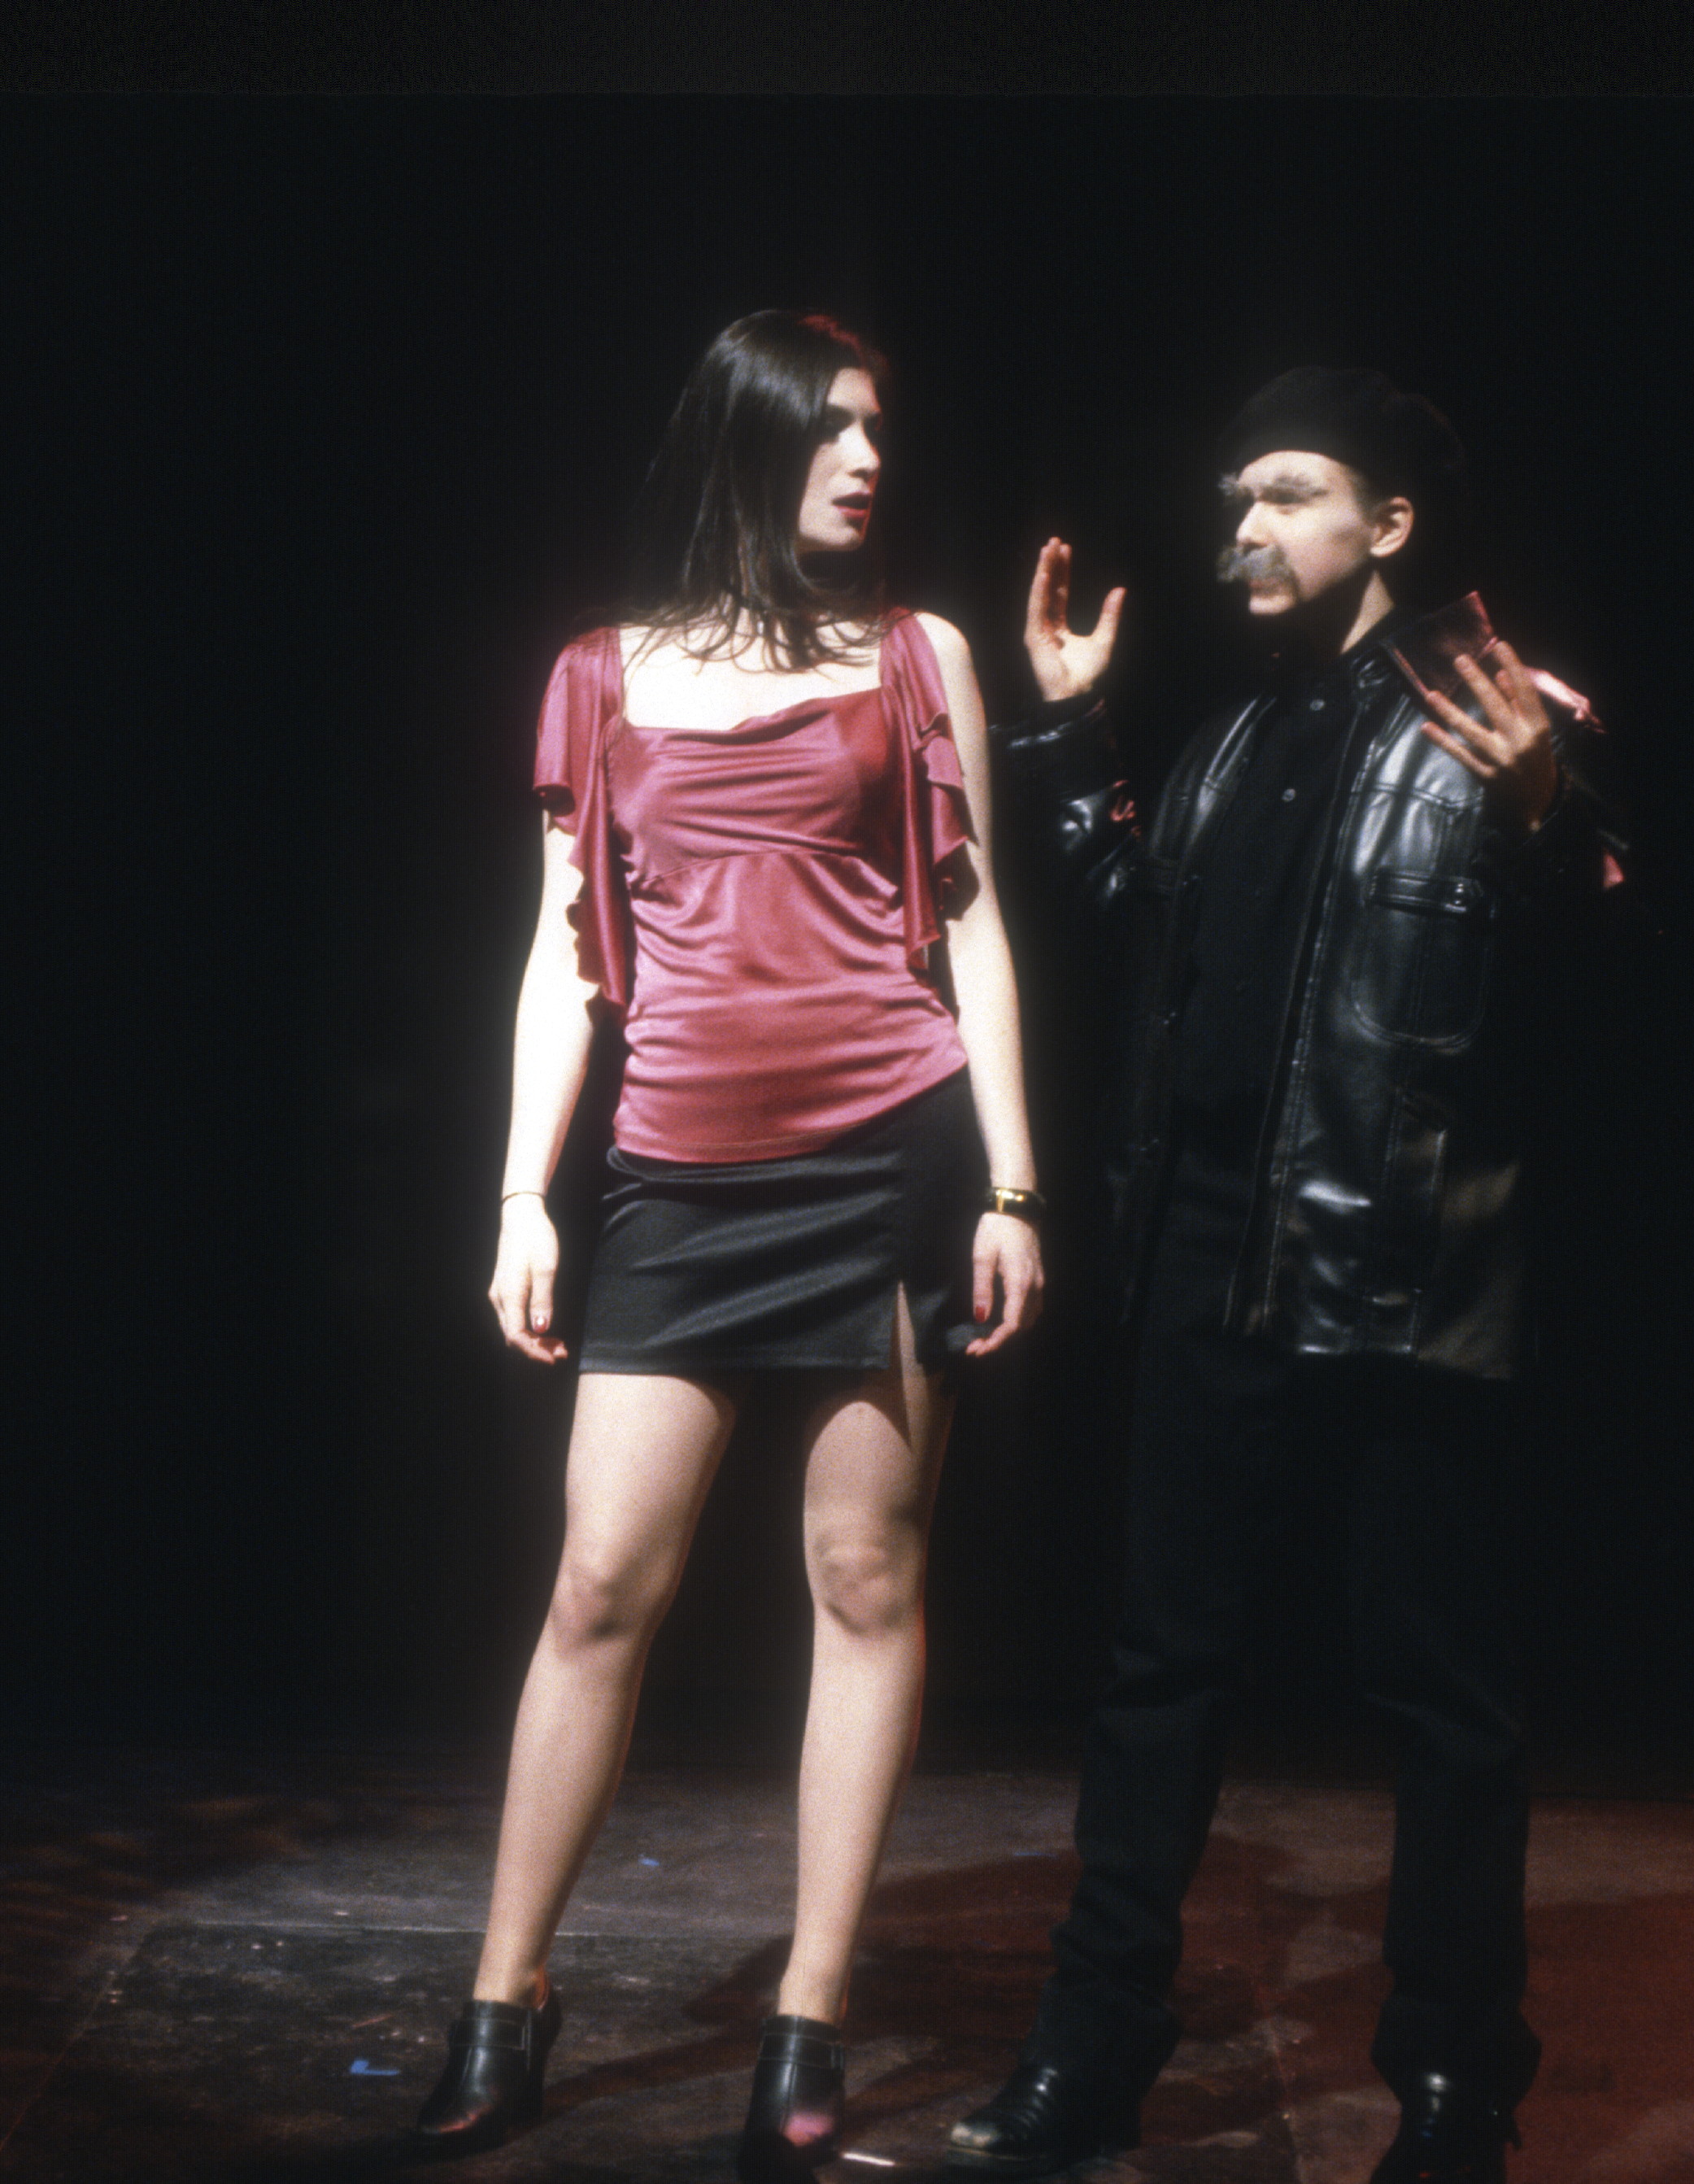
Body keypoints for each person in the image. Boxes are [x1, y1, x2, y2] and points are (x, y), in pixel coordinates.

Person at [940, 368, 1624, 2184]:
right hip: (1206, 1260)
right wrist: (1067, 739)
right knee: (1158, 1673)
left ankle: (1456, 2088)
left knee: (1443, 1703)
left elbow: (1623, 986)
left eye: (1288, 494)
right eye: (1236, 497)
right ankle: (1092, 2052)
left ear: (1387, 522)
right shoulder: (1237, 737)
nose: (1242, 525)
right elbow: (1144, 944)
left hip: (1401, 1272)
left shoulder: (1511, 710)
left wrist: (1550, 819)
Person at [412, 311, 1047, 2182]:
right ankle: (504, 1998)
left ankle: (807, 2016)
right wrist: (518, 1192)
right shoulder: (601, 673)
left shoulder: (919, 655)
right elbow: (563, 956)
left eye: (880, 429)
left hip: (887, 1161)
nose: (870, 459)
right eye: (834, 428)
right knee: (601, 1581)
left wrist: (1014, 1186)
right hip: (676, 1177)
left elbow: (974, 924)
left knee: (862, 1574)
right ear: (747, 442)